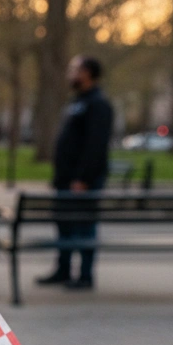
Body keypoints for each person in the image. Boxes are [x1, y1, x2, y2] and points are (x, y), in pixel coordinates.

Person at [37, 56, 114, 291]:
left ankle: (85, 274)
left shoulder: (98, 104)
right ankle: (63, 268)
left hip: (82, 182)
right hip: (65, 179)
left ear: (88, 73)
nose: (70, 73)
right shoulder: (77, 102)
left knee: (84, 226)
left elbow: (95, 146)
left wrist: (83, 178)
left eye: (75, 69)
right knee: (64, 225)